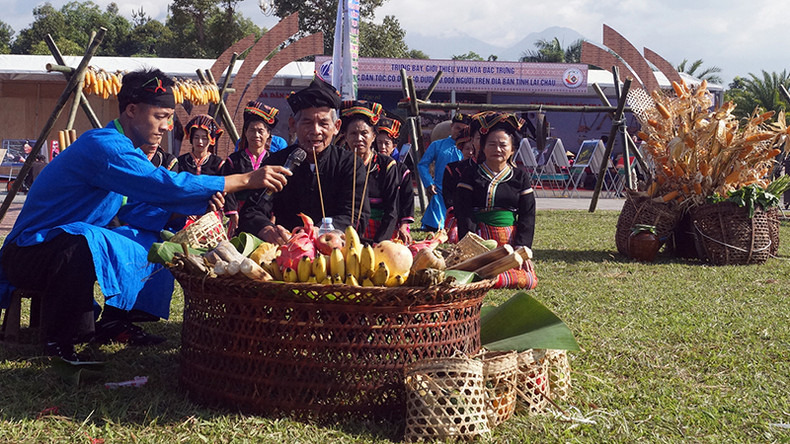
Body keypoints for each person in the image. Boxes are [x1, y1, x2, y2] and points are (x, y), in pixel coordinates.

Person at [0, 68, 291, 362]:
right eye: (160, 116)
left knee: (150, 239)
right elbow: (162, 185)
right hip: (28, 252)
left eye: (169, 117)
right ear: (132, 110)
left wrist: (187, 206)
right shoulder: (103, 146)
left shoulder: (126, 150)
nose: (166, 126)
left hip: (61, 248)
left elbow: (135, 208)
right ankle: (58, 343)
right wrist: (245, 179)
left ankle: (116, 320)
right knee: (84, 239)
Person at [238, 76, 369, 244]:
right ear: (293, 124)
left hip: (335, 250)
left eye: (323, 123)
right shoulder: (277, 163)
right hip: (287, 247)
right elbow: (252, 211)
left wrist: (320, 231)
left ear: (336, 127)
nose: (315, 131)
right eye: (307, 123)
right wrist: (267, 230)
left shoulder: (350, 164)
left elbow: (356, 216)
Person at [455, 112, 538, 290]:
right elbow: (464, 211)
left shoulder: (520, 177)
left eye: (503, 145)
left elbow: (527, 214)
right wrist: (471, 246)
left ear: (512, 149)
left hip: (510, 240)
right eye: (492, 144)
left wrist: (522, 247)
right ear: (483, 148)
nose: (497, 149)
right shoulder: (471, 174)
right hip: (480, 237)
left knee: (527, 281)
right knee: (476, 277)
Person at [340, 101, 399, 242]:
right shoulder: (339, 164)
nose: (358, 139)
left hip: (378, 233)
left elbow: (392, 211)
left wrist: (378, 243)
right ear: (345, 136)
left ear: (373, 136)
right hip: (343, 234)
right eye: (353, 133)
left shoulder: (386, 165)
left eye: (364, 133)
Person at [221, 100, 280, 236]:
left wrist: (274, 214)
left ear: (268, 134)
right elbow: (227, 188)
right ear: (245, 133)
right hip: (239, 214)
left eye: (260, 131)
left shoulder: (275, 161)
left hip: (266, 215)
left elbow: (278, 192)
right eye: (252, 130)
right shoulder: (234, 160)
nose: (256, 135)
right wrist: (233, 213)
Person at [417, 113, 470, 231]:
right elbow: (422, 164)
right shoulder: (437, 145)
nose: (460, 132)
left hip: (463, 191)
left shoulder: (470, 148)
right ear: (451, 126)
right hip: (440, 191)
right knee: (436, 226)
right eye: (457, 128)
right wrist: (429, 183)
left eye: (464, 129)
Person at [376, 116, 414, 243]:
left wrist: (403, 225)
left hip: (396, 222)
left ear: (394, 146)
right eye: (379, 142)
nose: (382, 147)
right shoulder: (371, 166)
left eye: (386, 143)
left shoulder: (402, 170)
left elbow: (407, 199)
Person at [442, 126, 475, 243]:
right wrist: (451, 207)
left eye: (473, 149)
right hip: (455, 208)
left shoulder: (478, 168)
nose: (470, 152)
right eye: (467, 149)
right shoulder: (452, 167)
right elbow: (446, 189)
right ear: (461, 149)